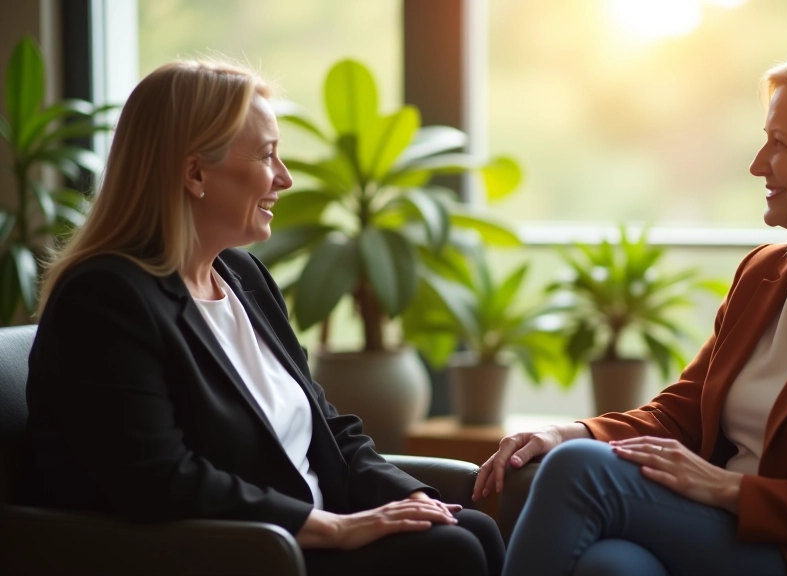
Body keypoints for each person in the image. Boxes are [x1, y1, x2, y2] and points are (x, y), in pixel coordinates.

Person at [474, 42, 787, 576]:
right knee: (610, 565)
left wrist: (730, 488)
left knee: (578, 471)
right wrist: (567, 432)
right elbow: (681, 415)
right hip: (725, 531)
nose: (757, 164)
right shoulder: (763, 273)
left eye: (779, 144)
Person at [26, 60, 503, 576]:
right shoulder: (105, 298)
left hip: (305, 530)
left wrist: (410, 497)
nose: (285, 178)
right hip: (240, 551)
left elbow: (326, 425)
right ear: (194, 173)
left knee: (471, 529)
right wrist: (333, 528)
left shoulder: (241, 273)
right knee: (451, 552)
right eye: (267, 155)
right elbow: (159, 479)